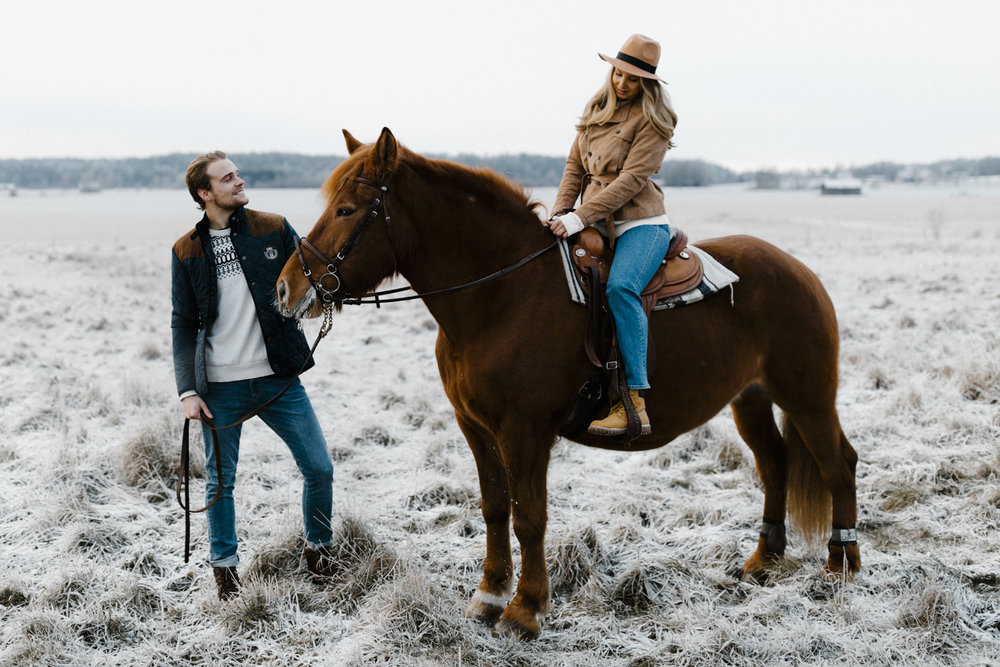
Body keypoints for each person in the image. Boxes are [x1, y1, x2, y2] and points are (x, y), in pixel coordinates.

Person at [171, 151, 336, 600]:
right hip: (219, 389)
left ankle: (319, 552)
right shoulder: (186, 250)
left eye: (238, 173)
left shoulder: (274, 227)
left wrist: (326, 299)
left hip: (278, 379)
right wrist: (188, 391)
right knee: (220, 484)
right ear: (205, 193)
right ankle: (225, 574)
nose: (238, 181)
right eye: (228, 178)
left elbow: (313, 277)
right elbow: (183, 324)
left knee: (319, 468)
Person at [543, 34, 678, 436]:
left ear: (647, 85)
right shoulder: (595, 112)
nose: (622, 83)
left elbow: (631, 181)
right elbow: (573, 170)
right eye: (618, 73)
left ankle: (634, 400)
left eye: (633, 79)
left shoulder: (652, 121)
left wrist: (579, 217)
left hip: (641, 225)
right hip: (592, 222)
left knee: (621, 288)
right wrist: (559, 214)